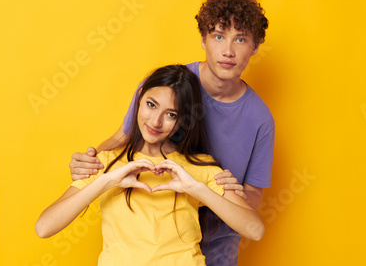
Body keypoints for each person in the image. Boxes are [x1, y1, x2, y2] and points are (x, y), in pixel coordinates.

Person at [69, 0, 274, 265]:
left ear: (255, 46)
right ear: (203, 39)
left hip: (218, 243)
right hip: (155, 239)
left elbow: (253, 194)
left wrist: (223, 194)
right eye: (218, 36)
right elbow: (122, 139)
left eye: (240, 40)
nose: (227, 50)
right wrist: (90, 165)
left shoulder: (261, 119)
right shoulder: (166, 87)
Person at [35, 65, 264, 265]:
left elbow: (255, 229)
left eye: (171, 114)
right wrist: (107, 180)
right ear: (139, 99)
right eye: (151, 105)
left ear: (182, 120)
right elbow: (44, 228)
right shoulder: (107, 162)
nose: (156, 121)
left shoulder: (200, 167)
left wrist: (196, 189)